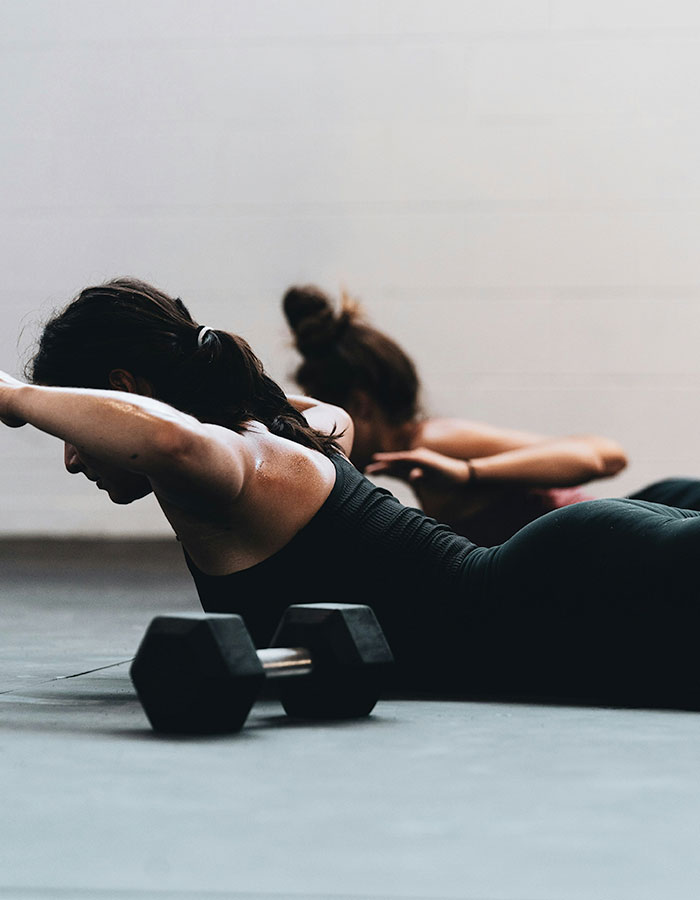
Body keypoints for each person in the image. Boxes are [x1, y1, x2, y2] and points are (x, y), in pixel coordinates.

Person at [7, 277, 700, 707]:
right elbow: (289, 416)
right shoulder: (298, 425)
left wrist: (17, 397)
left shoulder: (229, 466)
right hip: (574, 595)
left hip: (573, 597)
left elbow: (171, 441)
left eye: (75, 429)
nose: (72, 457)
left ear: (128, 394)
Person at [283, 285, 700, 545]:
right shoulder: (422, 467)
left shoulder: (435, 442)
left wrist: (469, 473)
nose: (317, 436)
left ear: (360, 406)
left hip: (638, 532)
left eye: (322, 418)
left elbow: (604, 455)